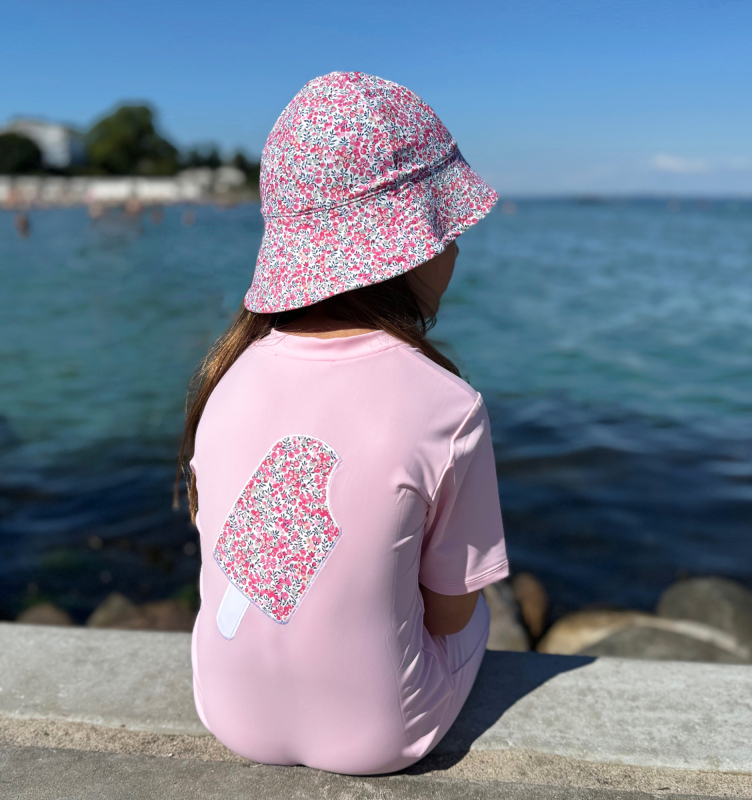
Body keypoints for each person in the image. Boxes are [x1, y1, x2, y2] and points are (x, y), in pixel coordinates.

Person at [175, 71, 509, 776]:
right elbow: (450, 615)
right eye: (446, 227)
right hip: (380, 738)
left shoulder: (224, 378)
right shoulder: (448, 407)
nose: (455, 246)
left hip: (225, 711)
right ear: (409, 248)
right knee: (480, 613)